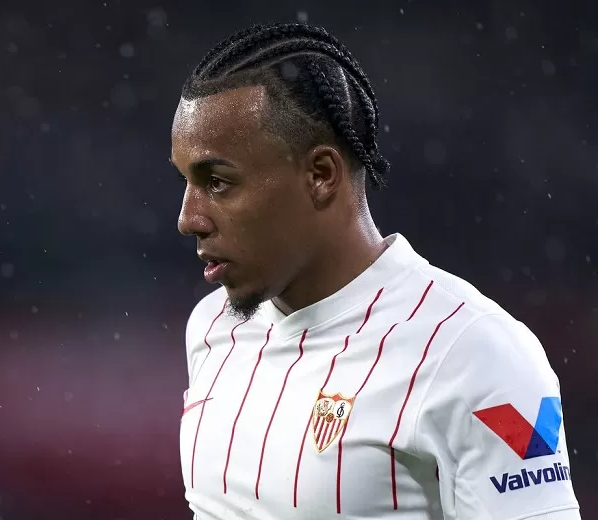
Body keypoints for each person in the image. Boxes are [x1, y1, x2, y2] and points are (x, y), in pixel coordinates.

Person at [170, 22, 581, 520]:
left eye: (217, 182)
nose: (188, 218)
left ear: (321, 175)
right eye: (185, 181)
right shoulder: (212, 327)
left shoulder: (477, 353)